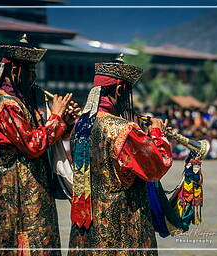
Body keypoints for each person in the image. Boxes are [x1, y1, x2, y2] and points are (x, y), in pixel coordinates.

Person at [68, 56, 172, 255]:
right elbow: (156, 165)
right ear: (120, 89)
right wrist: (157, 134)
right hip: (120, 220)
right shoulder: (122, 128)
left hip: (88, 220)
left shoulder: (80, 126)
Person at [0, 34, 77, 255]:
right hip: (17, 196)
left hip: (34, 190)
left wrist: (65, 119)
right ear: (16, 71)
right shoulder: (5, 105)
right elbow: (33, 144)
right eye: (30, 72)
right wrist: (55, 117)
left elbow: (46, 136)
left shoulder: (23, 102)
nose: (34, 78)